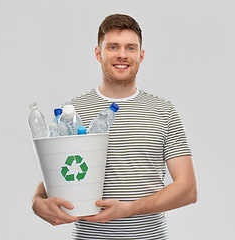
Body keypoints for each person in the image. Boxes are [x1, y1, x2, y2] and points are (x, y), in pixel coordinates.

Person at [32, 13, 197, 239]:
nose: (122, 55)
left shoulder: (164, 112)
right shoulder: (71, 113)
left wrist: (128, 209)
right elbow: (57, 173)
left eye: (130, 48)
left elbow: (188, 189)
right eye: (113, 47)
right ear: (98, 54)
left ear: (141, 55)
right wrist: (37, 201)